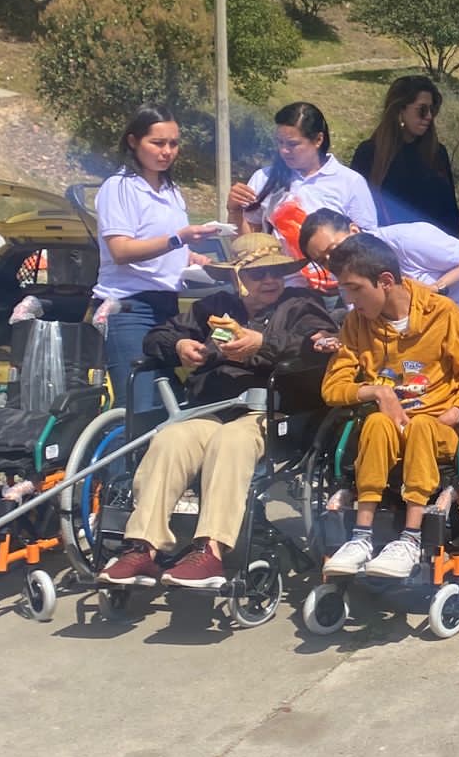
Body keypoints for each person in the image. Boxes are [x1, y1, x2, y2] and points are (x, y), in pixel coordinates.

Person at [97, 234, 336, 590]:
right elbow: (156, 338)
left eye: (275, 272)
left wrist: (265, 345)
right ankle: (142, 547)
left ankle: (210, 550)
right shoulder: (214, 306)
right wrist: (179, 345)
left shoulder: (302, 305)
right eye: (258, 274)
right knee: (171, 438)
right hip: (212, 407)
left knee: (231, 440)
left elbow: (324, 346)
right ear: (236, 277)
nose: (269, 280)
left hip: (272, 412)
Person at [320, 234, 459, 578]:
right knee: (374, 424)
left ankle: (411, 538)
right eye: (344, 291)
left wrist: (457, 410)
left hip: (437, 426)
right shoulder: (356, 324)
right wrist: (376, 392)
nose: (350, 301)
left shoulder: (442, 313)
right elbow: (333, 387)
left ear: (385, 281)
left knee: (420, 426)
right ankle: (361, 536)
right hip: (387, 429)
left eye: (354, 289)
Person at [298, 208, 459, 400]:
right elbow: (366, 320)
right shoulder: (348, 278)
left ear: (354, 230)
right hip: (434, 336)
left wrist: (433, 289)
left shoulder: (407, 238)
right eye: (322, 261)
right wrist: (338, 340)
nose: (331, 261)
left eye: (333, 250)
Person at [92, 106, 219, 411]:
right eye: (158, 143)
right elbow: (121, 251)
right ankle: (117, 460)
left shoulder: (171, 190)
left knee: (170, 406)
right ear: (134, 141)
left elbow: (164, 247)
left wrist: (192, 257)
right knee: (138, 408)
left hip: (168, 307)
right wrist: (179, 238)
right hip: (129, 308)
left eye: (173, 144)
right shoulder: (119, 187)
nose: (167, 152)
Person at [226, 102, 377, 282]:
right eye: (280, 142)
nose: (283, 150)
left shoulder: (350, 182)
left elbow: (368, 243)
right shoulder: (264, 179)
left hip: (335, 289)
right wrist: (234, 211)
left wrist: (342, 278)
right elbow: (248, 244)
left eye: (292, 144)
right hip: (278, 288)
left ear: (318, 140)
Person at [350, 75, 459, 236]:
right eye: (422, 110)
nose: (429, 116)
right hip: (386, 252)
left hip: (434, 252)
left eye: (432, 109)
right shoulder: (369, 153)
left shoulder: (437, 153)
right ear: (400, 110)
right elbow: (357, 211)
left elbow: (451, 212)